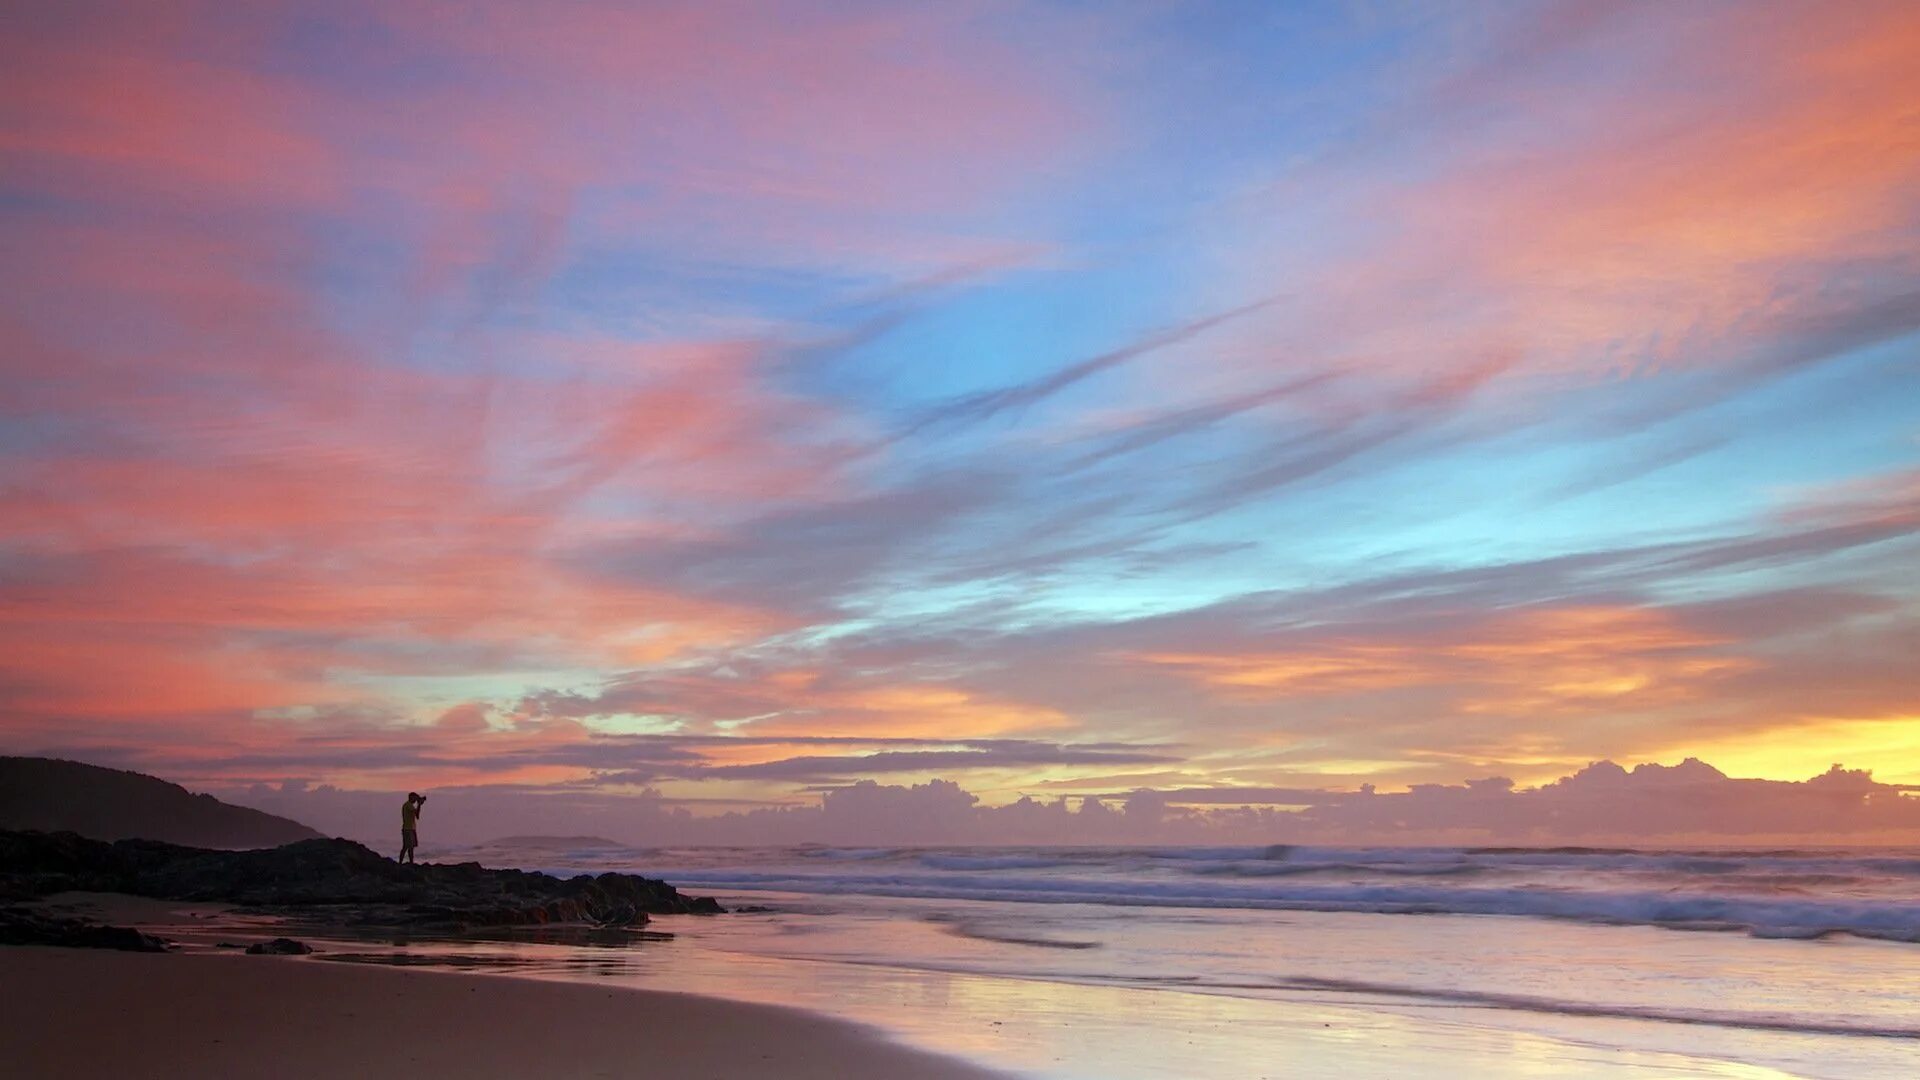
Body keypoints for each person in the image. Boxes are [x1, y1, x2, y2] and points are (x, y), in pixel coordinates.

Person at [399, 792, 427, 864]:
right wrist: (419, 804)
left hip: (411, 828)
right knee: (408, 847)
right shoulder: (408, 805)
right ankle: (409, 863)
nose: (415, 799)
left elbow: (417, 816)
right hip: (408, 829)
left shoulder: (410, 805)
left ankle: (402, 862)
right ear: (411, 797)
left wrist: (419, 804)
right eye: (415, 797)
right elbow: (417, 813)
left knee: (407, 847)